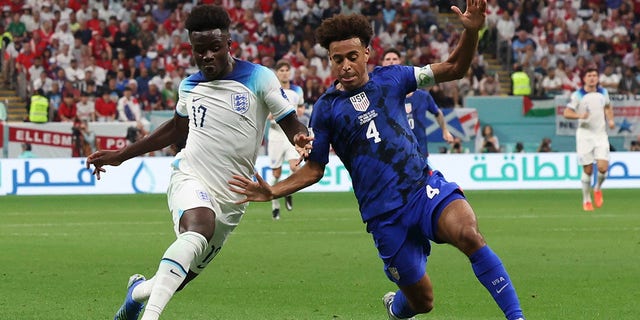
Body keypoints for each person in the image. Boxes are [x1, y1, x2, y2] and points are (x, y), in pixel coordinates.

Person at [230, 5, 526, 320]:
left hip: (421, 188)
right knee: (422, 302)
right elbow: (316, 168)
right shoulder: (327, 110)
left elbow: (454, 68)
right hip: (383, 215)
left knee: (468, 234)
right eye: (337, 59)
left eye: (351, 57)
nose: (345, 65)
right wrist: (274, 190)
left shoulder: (395, 78)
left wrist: (471, 31)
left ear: (367, 53)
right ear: (330, 60)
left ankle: (516, 316)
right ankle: (396, 309)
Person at [85, 5, 310, 320]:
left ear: (228, 44)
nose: (206, 56)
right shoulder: (189, 86)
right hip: (191, 176)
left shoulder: (259, 78)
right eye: (199, 50)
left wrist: (300, 138)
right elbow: (177, 130)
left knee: (177, 278)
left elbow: (291, 123)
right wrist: (122, 155)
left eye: (214, 48)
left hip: (234, 195)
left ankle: (135, 294)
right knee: (198, 228)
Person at [380, 48, 454, 157]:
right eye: (388, 59)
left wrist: (445, 131)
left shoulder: (422, 96)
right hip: (395, 153)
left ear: (400, 62)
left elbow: (437, 113)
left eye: (394, 59)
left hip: (420, 152)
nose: (391, 61)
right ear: (382, 63)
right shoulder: (380, 95)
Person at [563, 67, 615, 211]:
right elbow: (567, 113)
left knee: (603, 168)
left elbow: (608, 107)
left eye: (595, 75)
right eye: (589, 75)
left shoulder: (603, 92)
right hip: (585, 135)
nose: (592, 78)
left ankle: (597, 188)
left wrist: (610, 120)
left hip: (600, 134)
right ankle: (586, 199)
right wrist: (580, 116)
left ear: (598, 78)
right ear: (584, 78)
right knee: (587, 170)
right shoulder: (578, 95)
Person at [267, 59, 306, 219]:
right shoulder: (271, 90)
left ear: (290, 72)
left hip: (290, 134)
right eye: (281, 70)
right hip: (276, 134)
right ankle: (275, 204)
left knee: (295, 167)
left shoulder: (297, 90)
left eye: (286, 70)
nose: (284, 73)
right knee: (276, 173)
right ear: (277, 73)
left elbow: (301, 107)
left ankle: (288, 192)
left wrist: (300, 111)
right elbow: (267, 114)